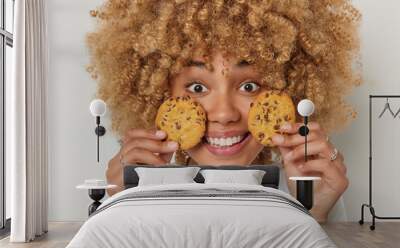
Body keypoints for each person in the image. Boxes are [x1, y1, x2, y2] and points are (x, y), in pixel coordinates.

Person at [86, 0, 361, 223]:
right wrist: (117, 205)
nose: (224, 114)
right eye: (196, 87)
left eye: (249, 85)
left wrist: (315, 213)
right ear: (159, 95)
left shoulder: (305, 191)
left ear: (289, 90)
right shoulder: (137, 189)